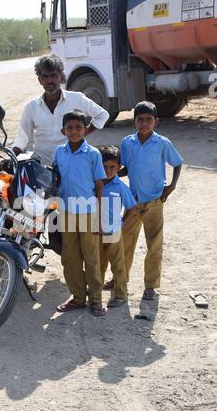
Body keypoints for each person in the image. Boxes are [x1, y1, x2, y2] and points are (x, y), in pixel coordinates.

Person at [118, 101, 183, 300]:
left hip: (155, 201)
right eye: (140, 119)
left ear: (156, 121)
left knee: (154, 244)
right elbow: (126, 168)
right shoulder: (127, 143)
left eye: (148, 119)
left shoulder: (162, 143)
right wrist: (109, 176)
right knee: (123, 241)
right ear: (134, 121)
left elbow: (178, 162)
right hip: (133, 202)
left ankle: (150, 286)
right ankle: (121, 281)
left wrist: (171, 186)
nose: (144, 123)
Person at [53, 110, 107, 317]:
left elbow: (99, 184)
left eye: (78, 127)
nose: (74, 131)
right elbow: (56, 178)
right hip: (66, 211)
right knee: (70, 257)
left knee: (91, 257)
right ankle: (77, 298)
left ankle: (96, 299)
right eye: (70, 128)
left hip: (88, 211)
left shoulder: (93, 154)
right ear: (63, 130)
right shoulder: (59, 151)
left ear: (86, 130)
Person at [11, 54, 109, 166]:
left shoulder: (76, 99)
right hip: (42, 166)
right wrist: (12, 156)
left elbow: (102, 115)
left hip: (71, 163)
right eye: (45, 77)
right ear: (40, 80)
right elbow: (22, 138)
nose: (49, 81)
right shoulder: (32, 106)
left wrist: (82, 133)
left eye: (53, 76)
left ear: (62, 77)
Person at [98, 146, 136, 307]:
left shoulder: (120, 187)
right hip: (96, 232)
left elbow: (131, 207)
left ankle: (121, 295)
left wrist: (121, 223)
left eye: (112, 167)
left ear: (119, 168)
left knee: (118, 265)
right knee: (97, 264)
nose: (108, 170)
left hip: (113, 231)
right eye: (104, 167)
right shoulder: (94, 185)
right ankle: (95, 294)